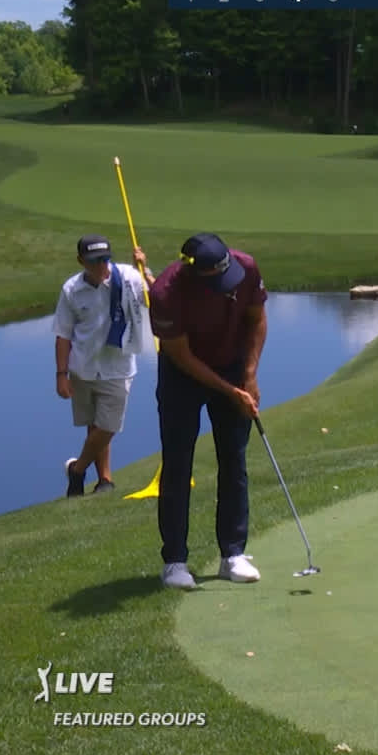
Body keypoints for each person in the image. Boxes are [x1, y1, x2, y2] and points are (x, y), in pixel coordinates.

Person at [148, 232, 268, 590]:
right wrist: (229, 391)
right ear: (193, 271)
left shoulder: (245, 267)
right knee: (178, 462)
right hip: (182, 375)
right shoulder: (166, 293)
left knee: (234, 458)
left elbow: (256, 319)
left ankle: (233, 554)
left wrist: (247, 377)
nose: (227, 287)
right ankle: (174, 562)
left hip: (232, 363)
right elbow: (181, 356)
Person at [53, 235, 154, 497]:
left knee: (108, 426)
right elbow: (63, 335)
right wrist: (61, 374)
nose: (101, 266)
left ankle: (77, 469)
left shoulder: (129, 277)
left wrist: (146, 269)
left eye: (104, 259)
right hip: (83, 367)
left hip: (118, 367)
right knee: (94, 425)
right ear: (81, 261)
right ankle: (104, 480)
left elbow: (156, 298)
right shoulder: (71, 289)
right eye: (94, 261)